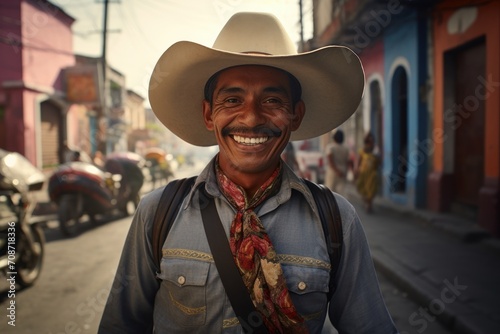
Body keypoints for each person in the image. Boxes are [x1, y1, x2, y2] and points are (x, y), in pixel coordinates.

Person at [98, 12, 398, 334]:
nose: (252, 118)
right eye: (232, 99)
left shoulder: (336, 220)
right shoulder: (159, 213)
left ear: (296, 116)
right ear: (208, 114)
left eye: (272, 99)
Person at [355, 132, 380, 213]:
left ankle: (369, 205)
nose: (371, 142)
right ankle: (367, 203)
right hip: (363, 174)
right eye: (369, 140)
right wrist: (356, 171)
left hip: (372, 174)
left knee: (371, 190)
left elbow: (378, 161)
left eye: (372, 140)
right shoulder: (363, 150)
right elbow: (359, 161)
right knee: (363, 189)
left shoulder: (375, 150)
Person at [324, 129, 350, 195]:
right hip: (343, 171)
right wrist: (345, 172)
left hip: (333, 172)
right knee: (341, 193)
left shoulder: (330, 147)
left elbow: (331, 162)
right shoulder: (346, 148)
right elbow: (347, 162)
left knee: (331, 192)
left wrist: (337, 171)